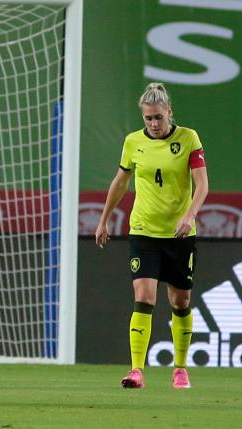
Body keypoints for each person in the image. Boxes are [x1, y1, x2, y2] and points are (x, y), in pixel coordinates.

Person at [95, 82, 208, 389]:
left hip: (180, 234)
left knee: (180, 301)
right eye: (148, 118)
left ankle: (180, 368)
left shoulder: (188, 138)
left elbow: (202, 185)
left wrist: (189, 215)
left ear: (169, 112)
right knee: (144, 296)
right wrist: (104, 220)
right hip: (143, 231)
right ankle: (136, 371)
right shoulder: (133, 142)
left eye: (159, 117)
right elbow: (120, 182)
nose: (154, 124)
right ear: (142, 117)